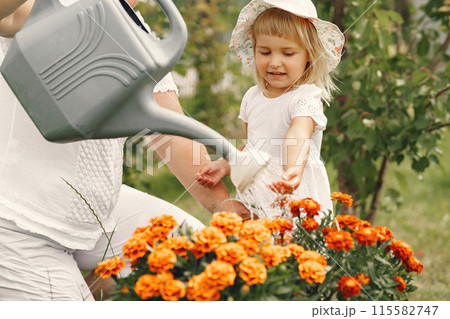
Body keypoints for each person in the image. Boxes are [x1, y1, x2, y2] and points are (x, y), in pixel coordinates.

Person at [0, 0, 250, 300]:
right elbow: (8, 14)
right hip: (18, 222)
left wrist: (226, 209)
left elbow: (173, 136)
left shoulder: (135, 33)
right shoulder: (43, 8)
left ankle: (94, 286)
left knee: (197, 253)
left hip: (94, 211)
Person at [195, 0, 345, 218]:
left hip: (294, 193)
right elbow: (255, 147)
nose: (275, 62)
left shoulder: (304, 97)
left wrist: (293, 169)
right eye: (265, 52)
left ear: (309, 54)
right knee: (258, 246)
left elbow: (298, 135)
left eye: (287, 53)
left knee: (295, 248)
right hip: (258, 195)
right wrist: (227, 164)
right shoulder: (252, 97)